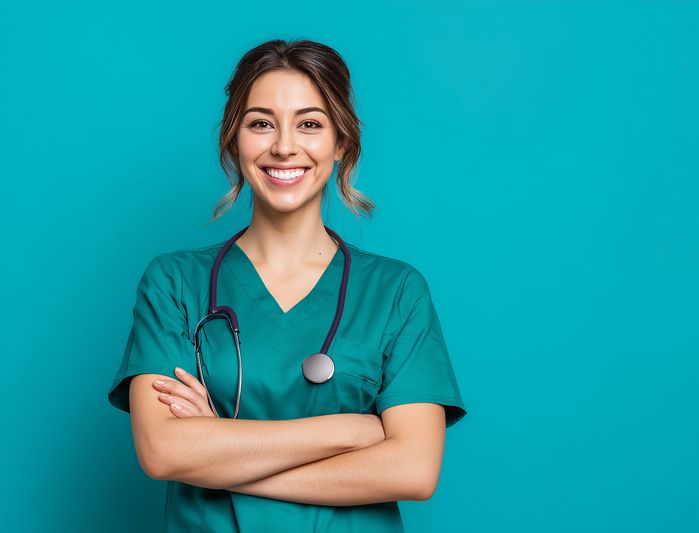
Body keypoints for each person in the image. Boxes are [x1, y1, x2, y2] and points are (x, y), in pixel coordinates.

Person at [107, 39, 468, 532]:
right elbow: (163, 451)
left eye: (310, 124)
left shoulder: (396, 291)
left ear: (342, 142)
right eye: (261, 123)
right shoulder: (174, 282)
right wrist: (352, 430)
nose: (283, 145)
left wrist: (217, 452)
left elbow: (414, 469)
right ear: (234, 139)